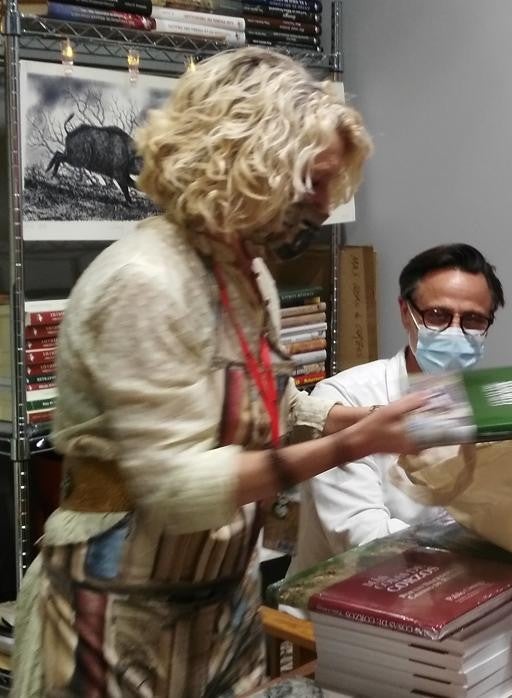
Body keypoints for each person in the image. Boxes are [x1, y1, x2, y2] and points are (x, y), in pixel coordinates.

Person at [12, 48, 434, 697]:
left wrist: (360, 418)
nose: (323, 205)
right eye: (311, 181)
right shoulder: (143, 281)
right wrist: (347, 448)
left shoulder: (246, 271)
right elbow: (177, 489)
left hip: (220, 599)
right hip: (118, 604)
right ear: (244, 161)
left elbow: (276, 402)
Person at [288, 243, 512, 575]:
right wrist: (509, 546)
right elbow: (365, 543)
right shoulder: (346, 399)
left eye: (472, 320)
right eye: (438, 316)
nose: (455, 332)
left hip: (475, 594)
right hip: (348, 604)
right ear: (405, 312)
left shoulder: (495, 402)